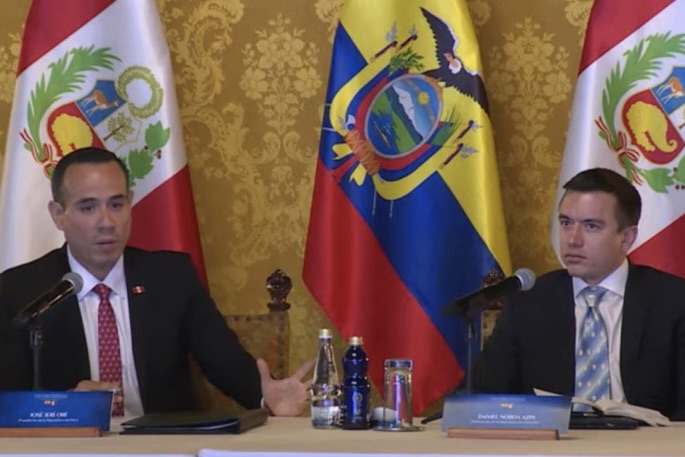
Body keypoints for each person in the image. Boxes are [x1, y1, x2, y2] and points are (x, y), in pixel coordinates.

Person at [0, 147, 313, 417]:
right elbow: (7, 397)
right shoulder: (21, 291)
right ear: (58, 214)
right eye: (88, 208)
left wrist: (266, 397)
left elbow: (224, 361)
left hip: (162, 445)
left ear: (130, 203)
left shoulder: (170, 276)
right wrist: (65, 406)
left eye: (116, 204)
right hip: (69, 449)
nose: (106, 222)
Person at [475, 167, 685, 420]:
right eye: (566, 223)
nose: (573, 239)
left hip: (645, 439)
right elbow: (482, 398)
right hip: (554, 439)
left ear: (626, 238)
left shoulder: (673, 302)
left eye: (591, 226)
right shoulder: (528, 301)